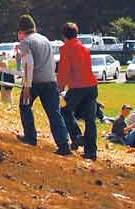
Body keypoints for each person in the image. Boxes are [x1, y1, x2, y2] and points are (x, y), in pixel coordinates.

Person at [15, 15, 70, 154]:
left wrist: (27, 86)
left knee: (24, 105)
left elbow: (29, 63)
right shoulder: (45, 39)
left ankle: (30, 137)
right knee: (54, 113)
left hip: (34, 82)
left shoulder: (26, 42)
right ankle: (64, 144)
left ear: (21, 31)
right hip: (50, 81)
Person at [57, 22, 99, 160]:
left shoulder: (66, 49)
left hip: (77, 87)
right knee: (90, 120)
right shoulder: (83, 48)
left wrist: (60, 86)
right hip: (91, 86)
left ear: (64, 35)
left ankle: (76, 136)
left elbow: (64, 70)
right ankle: (91, 152)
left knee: (65, 111)